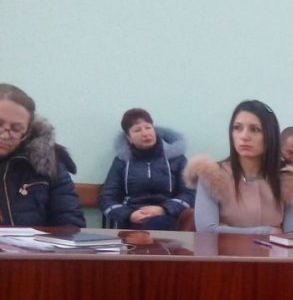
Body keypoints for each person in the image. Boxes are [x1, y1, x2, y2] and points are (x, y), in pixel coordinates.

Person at [184, 100, 293, 234]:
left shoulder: (288, 180)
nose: (244, 136)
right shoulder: (212, 175)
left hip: (274, 249)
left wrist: (225, 229)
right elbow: (207, 231)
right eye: (237, 128)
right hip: (224, 248)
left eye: (255, 129)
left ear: (270, 135)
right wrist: (267, 232)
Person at [0, 83, 85, 227]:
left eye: (16, 129)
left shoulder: (48, 163)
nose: (4, 135)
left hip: (30, 242)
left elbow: (71, 224)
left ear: (26, 132)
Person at [99, 108, 194, 230]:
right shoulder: (122, 161)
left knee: (158, 223)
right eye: (137, 130)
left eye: (148, 127)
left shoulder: (177, 158)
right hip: (132, 220)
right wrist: (129, 215)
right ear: (129, 138)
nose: (145, 133)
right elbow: (107, 197)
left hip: (168, 217)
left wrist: (163, 209)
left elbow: (190, 193)